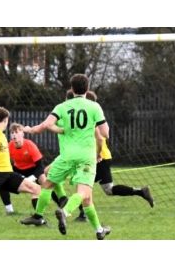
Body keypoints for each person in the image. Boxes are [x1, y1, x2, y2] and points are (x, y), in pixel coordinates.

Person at [19, 74, 112, 240]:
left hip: (66, 156)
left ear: (72, 88)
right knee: (83, 193)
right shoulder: (94, 106)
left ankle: (98, 230)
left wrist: (35, 130)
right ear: (87, 88)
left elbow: (47, 124)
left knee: (48, 185)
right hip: (86, 157)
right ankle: (65, 211)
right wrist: (98, 151)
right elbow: (104, 134)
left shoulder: (62, 106)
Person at [73, 90, 154, 221]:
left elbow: (102, 137)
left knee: (83, 184)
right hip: (103, 156)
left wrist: (96, 154)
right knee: (108, 189)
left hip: (97, 157)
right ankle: (141, 191)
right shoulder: (95, 116)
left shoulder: (90, 118)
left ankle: (83, 214)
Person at [0, 123, 68, 215]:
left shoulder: (30, 145)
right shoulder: (9, 146)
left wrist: (32, 177)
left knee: (45, 182)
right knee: (2, 181)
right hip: (19, 169)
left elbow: (40, 167)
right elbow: (6, 163)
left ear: (22, 134)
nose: (14, 135)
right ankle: (9, 210)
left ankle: (61, 205)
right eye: (12, 133)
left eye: (17, 132)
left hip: (34, 169)